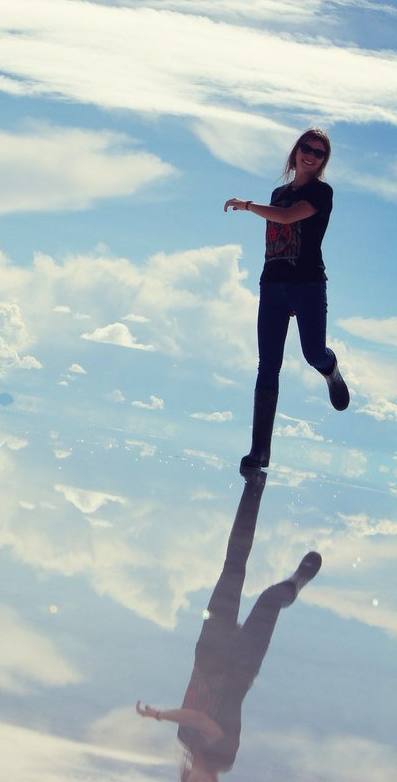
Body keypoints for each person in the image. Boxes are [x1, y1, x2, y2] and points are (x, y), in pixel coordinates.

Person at [136, 474, 322, 780]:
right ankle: (295, 583)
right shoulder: (224, 757)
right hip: (242, 663)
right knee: (270, 598)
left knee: (233, 567)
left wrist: (162, 716)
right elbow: (201, 720)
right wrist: (158, 715)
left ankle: (253, 485)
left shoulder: (184, 740)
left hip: (210, 648)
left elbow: (194, 709)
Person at [223, 128, 349, 474]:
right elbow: (276, 235)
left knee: (313, 353)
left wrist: (246, 206)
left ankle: (331, 369)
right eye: (306, 148)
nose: (311, 154)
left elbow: (287, 217)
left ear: (323, 161)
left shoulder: (322, 192)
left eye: (319, 152)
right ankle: (259, 452)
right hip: (273, 284)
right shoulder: (278, 192)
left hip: (307, 284)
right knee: (268, 364)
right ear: (295, 152)